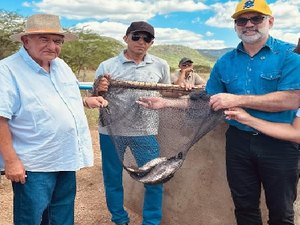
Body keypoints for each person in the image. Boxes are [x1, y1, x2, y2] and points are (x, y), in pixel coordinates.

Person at [137, 0, 300, 224]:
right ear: (235, 26)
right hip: (238, 141)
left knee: (281, 210)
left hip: (279, 145)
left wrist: (237, 100)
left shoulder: (289, 56)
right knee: (244, 206)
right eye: (241, 20)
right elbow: (208, 100)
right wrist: (166, 103)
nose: (249, 24)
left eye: (256, 18)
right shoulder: (225, 62)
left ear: (270, 21)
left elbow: (292, 98)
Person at [0, 14, 107, 225]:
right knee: (30, 218)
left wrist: (87, 101)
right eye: (44, 39)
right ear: (25, 41)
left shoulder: (61, 66)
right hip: (34, 164)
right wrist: (11, 161)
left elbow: (63, 99)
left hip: (65, 156)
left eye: (57, 41)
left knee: (62, 215)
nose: (52, 46)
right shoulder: (7, 70)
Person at [84, 21, 170, 225]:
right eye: (136, 37)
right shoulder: (107, 66)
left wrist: (183, 86)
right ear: (126, 38)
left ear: (151, 43)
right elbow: (95, 96)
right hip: (112, 131)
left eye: (147, 38)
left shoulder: (161, 65)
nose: (141, 42)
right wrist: (100, 88)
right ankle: (119, 219)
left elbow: (166, 92)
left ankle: (151, 221)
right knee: (113, 178)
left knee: (153, 178)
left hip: (146, 131)